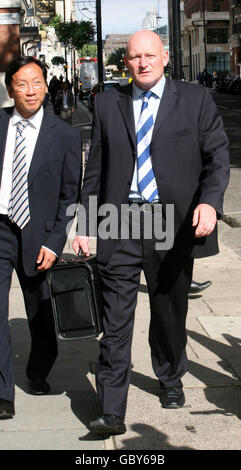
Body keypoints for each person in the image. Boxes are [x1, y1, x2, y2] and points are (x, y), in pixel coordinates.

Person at [72, 30, 230, 436]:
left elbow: (217, 158)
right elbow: (96, 171)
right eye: (134, 57)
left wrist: (210, 202)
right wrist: (85, 223)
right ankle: (111, 409)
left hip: (170, 222)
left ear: (164, 58)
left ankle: (170, 376)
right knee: (116, 317)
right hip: (119, 219)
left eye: (149, 55)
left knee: (168, 310)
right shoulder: (108, 102)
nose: (142, 62)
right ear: (125, 62)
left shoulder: (194, 101)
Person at [0, 56, 82, 419]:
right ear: (10, 89)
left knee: (41, 315)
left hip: (40, 234)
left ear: (46, 86)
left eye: (36, 82)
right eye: (21, 83)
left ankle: (36, 372)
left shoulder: (64, 135)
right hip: (0, 229)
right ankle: (3, 392)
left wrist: (55, 241)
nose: (30, 90)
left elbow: (70, 196)